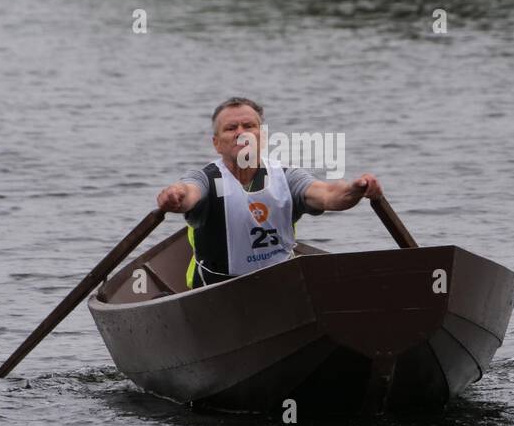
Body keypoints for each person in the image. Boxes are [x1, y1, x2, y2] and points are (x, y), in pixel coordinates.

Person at [155, 97, 383, 288]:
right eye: (231, 128)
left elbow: (328, 195)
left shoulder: (286, 177)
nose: (241, 133)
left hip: (278, 285)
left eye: (249, 126)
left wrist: (356, 189)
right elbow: (188, 192)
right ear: (217, 144)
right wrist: (176, 196)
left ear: (262, 137)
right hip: (216, 291)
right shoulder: (205, 179)